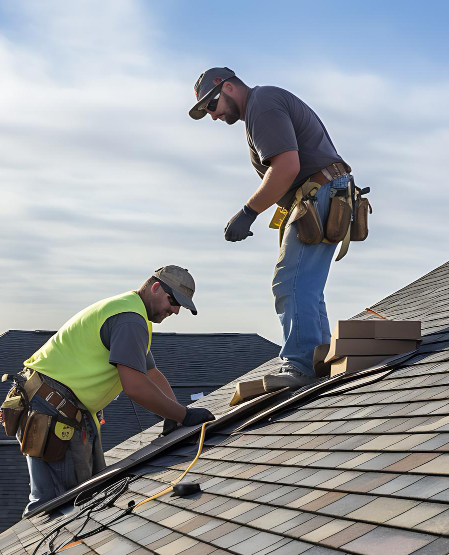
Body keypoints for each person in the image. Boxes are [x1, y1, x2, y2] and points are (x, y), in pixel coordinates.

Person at [189, 67, 352, 389]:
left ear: (227, 86)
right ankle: (317, 361)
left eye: (211, 105)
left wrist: (248, 212)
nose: (213, 116)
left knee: (290, 281)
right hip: (324, 193)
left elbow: (287, 166)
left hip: (319, 193)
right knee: (306, 284)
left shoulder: (261, 104)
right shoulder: (262, 104)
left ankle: (301, 366)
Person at [19, 265, 215, 515]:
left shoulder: (132, 313)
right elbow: (135, 386)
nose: (175, 311)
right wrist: (183, 416)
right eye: (173, 301)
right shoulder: (129, 319)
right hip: (55, 409)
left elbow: (151, 374)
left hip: (64, 408)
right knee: (61, 506)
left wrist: (174, 414)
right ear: (156, 287)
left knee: (89, 495)